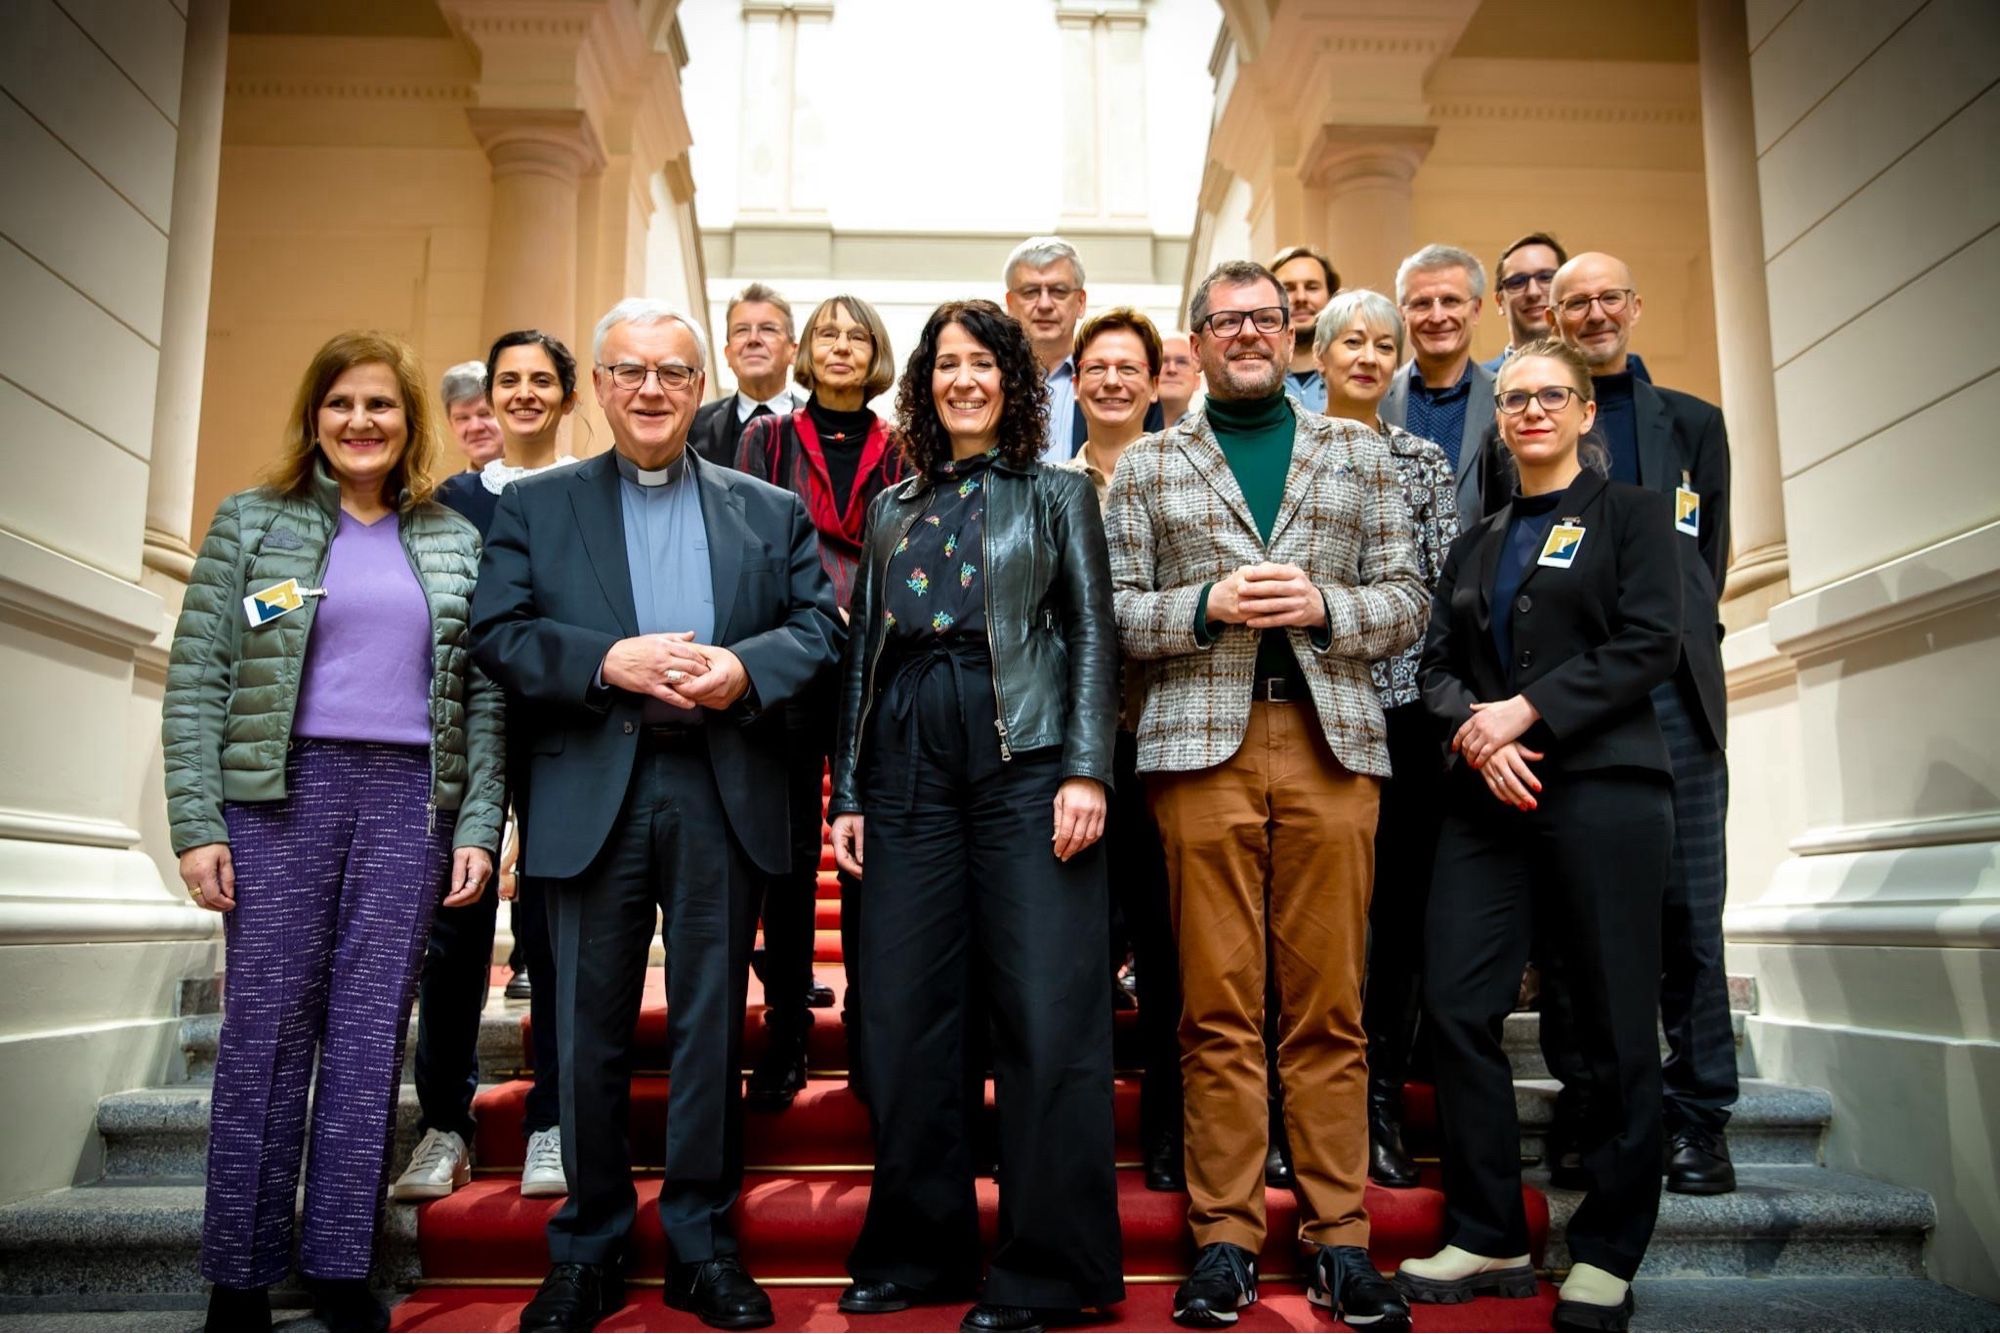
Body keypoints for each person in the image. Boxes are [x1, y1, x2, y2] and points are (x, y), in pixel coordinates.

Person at [472, 298, 842, 1333]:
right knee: (584, 1028)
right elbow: (496, 630)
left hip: (717, 784)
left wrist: (741, 667)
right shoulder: (538, 505)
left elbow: (818, 626)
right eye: (628, 371)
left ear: (696, 387)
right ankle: (586, 1247)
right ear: (599, 386)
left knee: (707, 1025)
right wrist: (605, 658)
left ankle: (700, 1245)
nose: (648, 389)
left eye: (671, 373)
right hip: (592, 784)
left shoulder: (766, 508)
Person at [1105, 260, 1425, 1331]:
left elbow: (1406, 598)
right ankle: (1225, 1237)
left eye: (1266, 318)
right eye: (1225, 319)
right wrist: (1202, 602)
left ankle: (1339, 1237)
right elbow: (1114, 613)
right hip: (1200, 752)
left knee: (1331, 1003)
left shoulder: (1355, 449)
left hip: (1333, 746)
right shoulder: (1149, 464)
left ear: (1292, 335)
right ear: (1194, 339)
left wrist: (1326, 602)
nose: (1248, 332)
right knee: (1214, 1007)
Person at [164, 330, 504, 1334]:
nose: (362, 422)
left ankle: (340, 1261)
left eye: (382, 406)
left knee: (365, 1040)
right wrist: (196, 822)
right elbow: (197, 683)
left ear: (410, 424)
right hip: (278, 799)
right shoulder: (250, 523)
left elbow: (483, 699)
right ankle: (240, 1268)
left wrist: (477, 819)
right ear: (314, 414)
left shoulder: (452, 538)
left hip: (408, 802)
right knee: (264, 1036)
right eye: (342, 403)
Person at [827, 299, 1123, 1334]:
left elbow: (1091, 627)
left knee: (1044, 1012)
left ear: (1010, 379)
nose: (962, 379)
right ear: (924, 381)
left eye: (980, 362)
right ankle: (919, 1249)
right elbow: (861, 652)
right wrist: (850, 789)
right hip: (905, 765)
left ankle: (1047, 1266)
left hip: (1025, 763)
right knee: (907, 1016)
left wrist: (1085, 768)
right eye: (944, 363)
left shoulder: (1055, 493)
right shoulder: (891, 504)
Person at [1397, 337, 1682, 1334]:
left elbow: (1651, 638)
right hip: (1487, 797)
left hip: (1602, 792)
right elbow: (1431, 668)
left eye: (1549, 395)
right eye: (1513, 397)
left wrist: (1525, 711)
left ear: (1582, 411)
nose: (1529, 411)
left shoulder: (1636, 518)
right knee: (1458, 1001)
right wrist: (1476, 735)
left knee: (1606, 1018)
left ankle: (1607, 1245)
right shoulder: (1473, 539)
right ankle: (1487, 1229)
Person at [1542, 251, 1735, 1196]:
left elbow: (1709, 569)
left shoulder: (1692, 424)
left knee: (1692, 917)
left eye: (1607, 297)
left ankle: (1700, 1118)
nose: (1592, 314)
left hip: (1677, 701)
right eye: (1573, 302)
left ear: (1634, 305)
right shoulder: (1538, 427)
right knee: (1582, 919)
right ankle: (1591, 1106)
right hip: (1578, 701)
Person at [395, 331, 584, 1206]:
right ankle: (446, 1125)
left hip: (561, 733)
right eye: (509, 381)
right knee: (452, 935)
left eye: (541, 380)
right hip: (460, 732)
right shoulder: (442, 504)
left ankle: (552, 1121)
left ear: (567, 396)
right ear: (488, 399)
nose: (523, 394)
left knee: (553, 936)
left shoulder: (589, 495)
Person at [729, 293, 904, 1109]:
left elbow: (913, 547)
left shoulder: (901, 446)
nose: (841, 347)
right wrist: (812, 609)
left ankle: (875, 1036)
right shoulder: (766, 437)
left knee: (874, 850)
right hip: (793, 661)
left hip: (877, 663)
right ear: (808, 351)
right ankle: (786, 1031)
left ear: (877, 354)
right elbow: (747, 544)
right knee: (791, 855)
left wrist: (863, 611)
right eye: (828, 334)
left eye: (856, 335)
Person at [1313, 289, 1460, 1188]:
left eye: (1381, 345)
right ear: (1320, 357)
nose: (1367, 357)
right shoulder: (1291, 448)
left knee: (1395, 922)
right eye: (1350, 343)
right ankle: (1301, 1104)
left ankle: (1377, 1108)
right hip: (1314, 705)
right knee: (1308, 915)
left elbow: (1440, 591)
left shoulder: (1424, 462)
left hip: (1402, 715)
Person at [1056, 306, 1183, 1192]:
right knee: (1075, 953)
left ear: (1154, 379)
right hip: (1075, 749)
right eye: (1094, 366)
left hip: (1172, 740)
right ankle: (1072, 1136)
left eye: (1126, 366)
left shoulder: (1186, 477)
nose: (1111, 381)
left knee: (1174, 953)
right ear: (1076, 379)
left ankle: (1174, 1132)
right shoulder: (1047, 486)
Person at [1002, 235, 1162, 459]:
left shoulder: (1129, 383)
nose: (1045, 304)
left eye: (1058, 291)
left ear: (1081, 302)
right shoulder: (992, 382)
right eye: (1030, 292)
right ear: (1009, 303)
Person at [1381, 244, 1498, 525]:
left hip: (1479, 565)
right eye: (1422, 303)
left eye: (1450, 301)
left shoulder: (1506, 400)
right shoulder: (1376, 399)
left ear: (1477, 309)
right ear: (1403, 314)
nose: (1437, 317)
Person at [691, 282, 804, 466]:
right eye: (741, 330)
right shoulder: (693, 428)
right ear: (728, 354)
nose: (753, 339)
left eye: (768, 329)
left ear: (793, 352)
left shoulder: (821, 430)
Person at [1481, 233, 1566, 373]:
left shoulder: (1595, 376)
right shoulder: (1476, 386)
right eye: (1517, 282)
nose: (1533, 293)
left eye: (1546, 278)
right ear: (1499, 302)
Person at [1271, 244, 1339, 413]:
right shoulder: (1257, 380)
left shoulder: (1353, 374)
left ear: (1331, 296)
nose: (1301, 297)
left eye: (1312, 287)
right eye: (1288, 289)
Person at [442, 359, 504, 469]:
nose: (475, 427)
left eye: (485, 414)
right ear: (451, 425)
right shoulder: (451, 486)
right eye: (462, 418)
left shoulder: (539, 483)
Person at [1158, 331, 1203, 425]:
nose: (1171, 369)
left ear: (1197, 381)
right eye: (1163, 361)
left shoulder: (1210, 433)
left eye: (1182, 362)